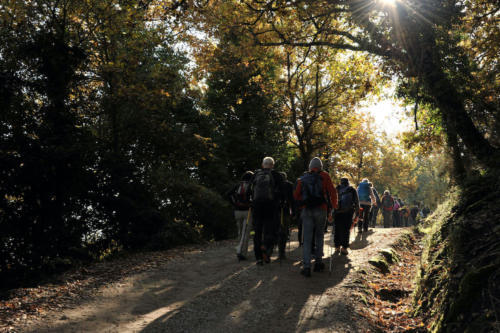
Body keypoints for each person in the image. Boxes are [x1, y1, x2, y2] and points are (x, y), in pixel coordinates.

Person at [294, 157, 338, 277]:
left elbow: (296, 195)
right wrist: (334, 208)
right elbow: (333, 192)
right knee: (319, 235)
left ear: (310, 167)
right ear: (321, 166)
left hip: (307, 210)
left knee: (307, 238)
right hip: (321, 209)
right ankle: (318, 263)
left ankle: (307, 266)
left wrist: (302, 204)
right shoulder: (325, 175)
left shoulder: (303, 178)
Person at [251, 157, 284, 265]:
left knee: (257, 232)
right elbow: (281, 192)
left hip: (256, 206)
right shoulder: (276, 175)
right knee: (270, 230)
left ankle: (259, 258)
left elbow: (250, 190)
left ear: (262, 164)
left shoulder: (256, 174)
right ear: (272, 165)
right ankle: (266, 247)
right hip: (270, 206)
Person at [226, 171, 254, 260]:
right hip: (248, 211)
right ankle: (242, 253)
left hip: (237, 211)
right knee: (245, 233)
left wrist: (234, 204)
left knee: (240, 232)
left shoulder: (238, 185)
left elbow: (228, 194)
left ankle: (239, 249)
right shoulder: (252, 186)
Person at [334, 178, 359, 255]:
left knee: (337, 229)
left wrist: (330, 213)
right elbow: (357, 203)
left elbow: (332, 200)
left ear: (341, 182)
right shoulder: (352, 190)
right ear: (348, 183)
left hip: (337, 212)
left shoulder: (337, 188)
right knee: (346, 230)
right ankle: (344, 248)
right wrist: (357, 215)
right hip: (348, 212)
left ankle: (337, 246)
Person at [277, 172, 296, 260]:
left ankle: (270, 250)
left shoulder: (275, 183)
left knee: (275, 230)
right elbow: (292, 199)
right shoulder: (289, 185)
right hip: (285, 210)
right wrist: (294, 212)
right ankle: (282, 252)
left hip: (275, 210)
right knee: (284, 230)